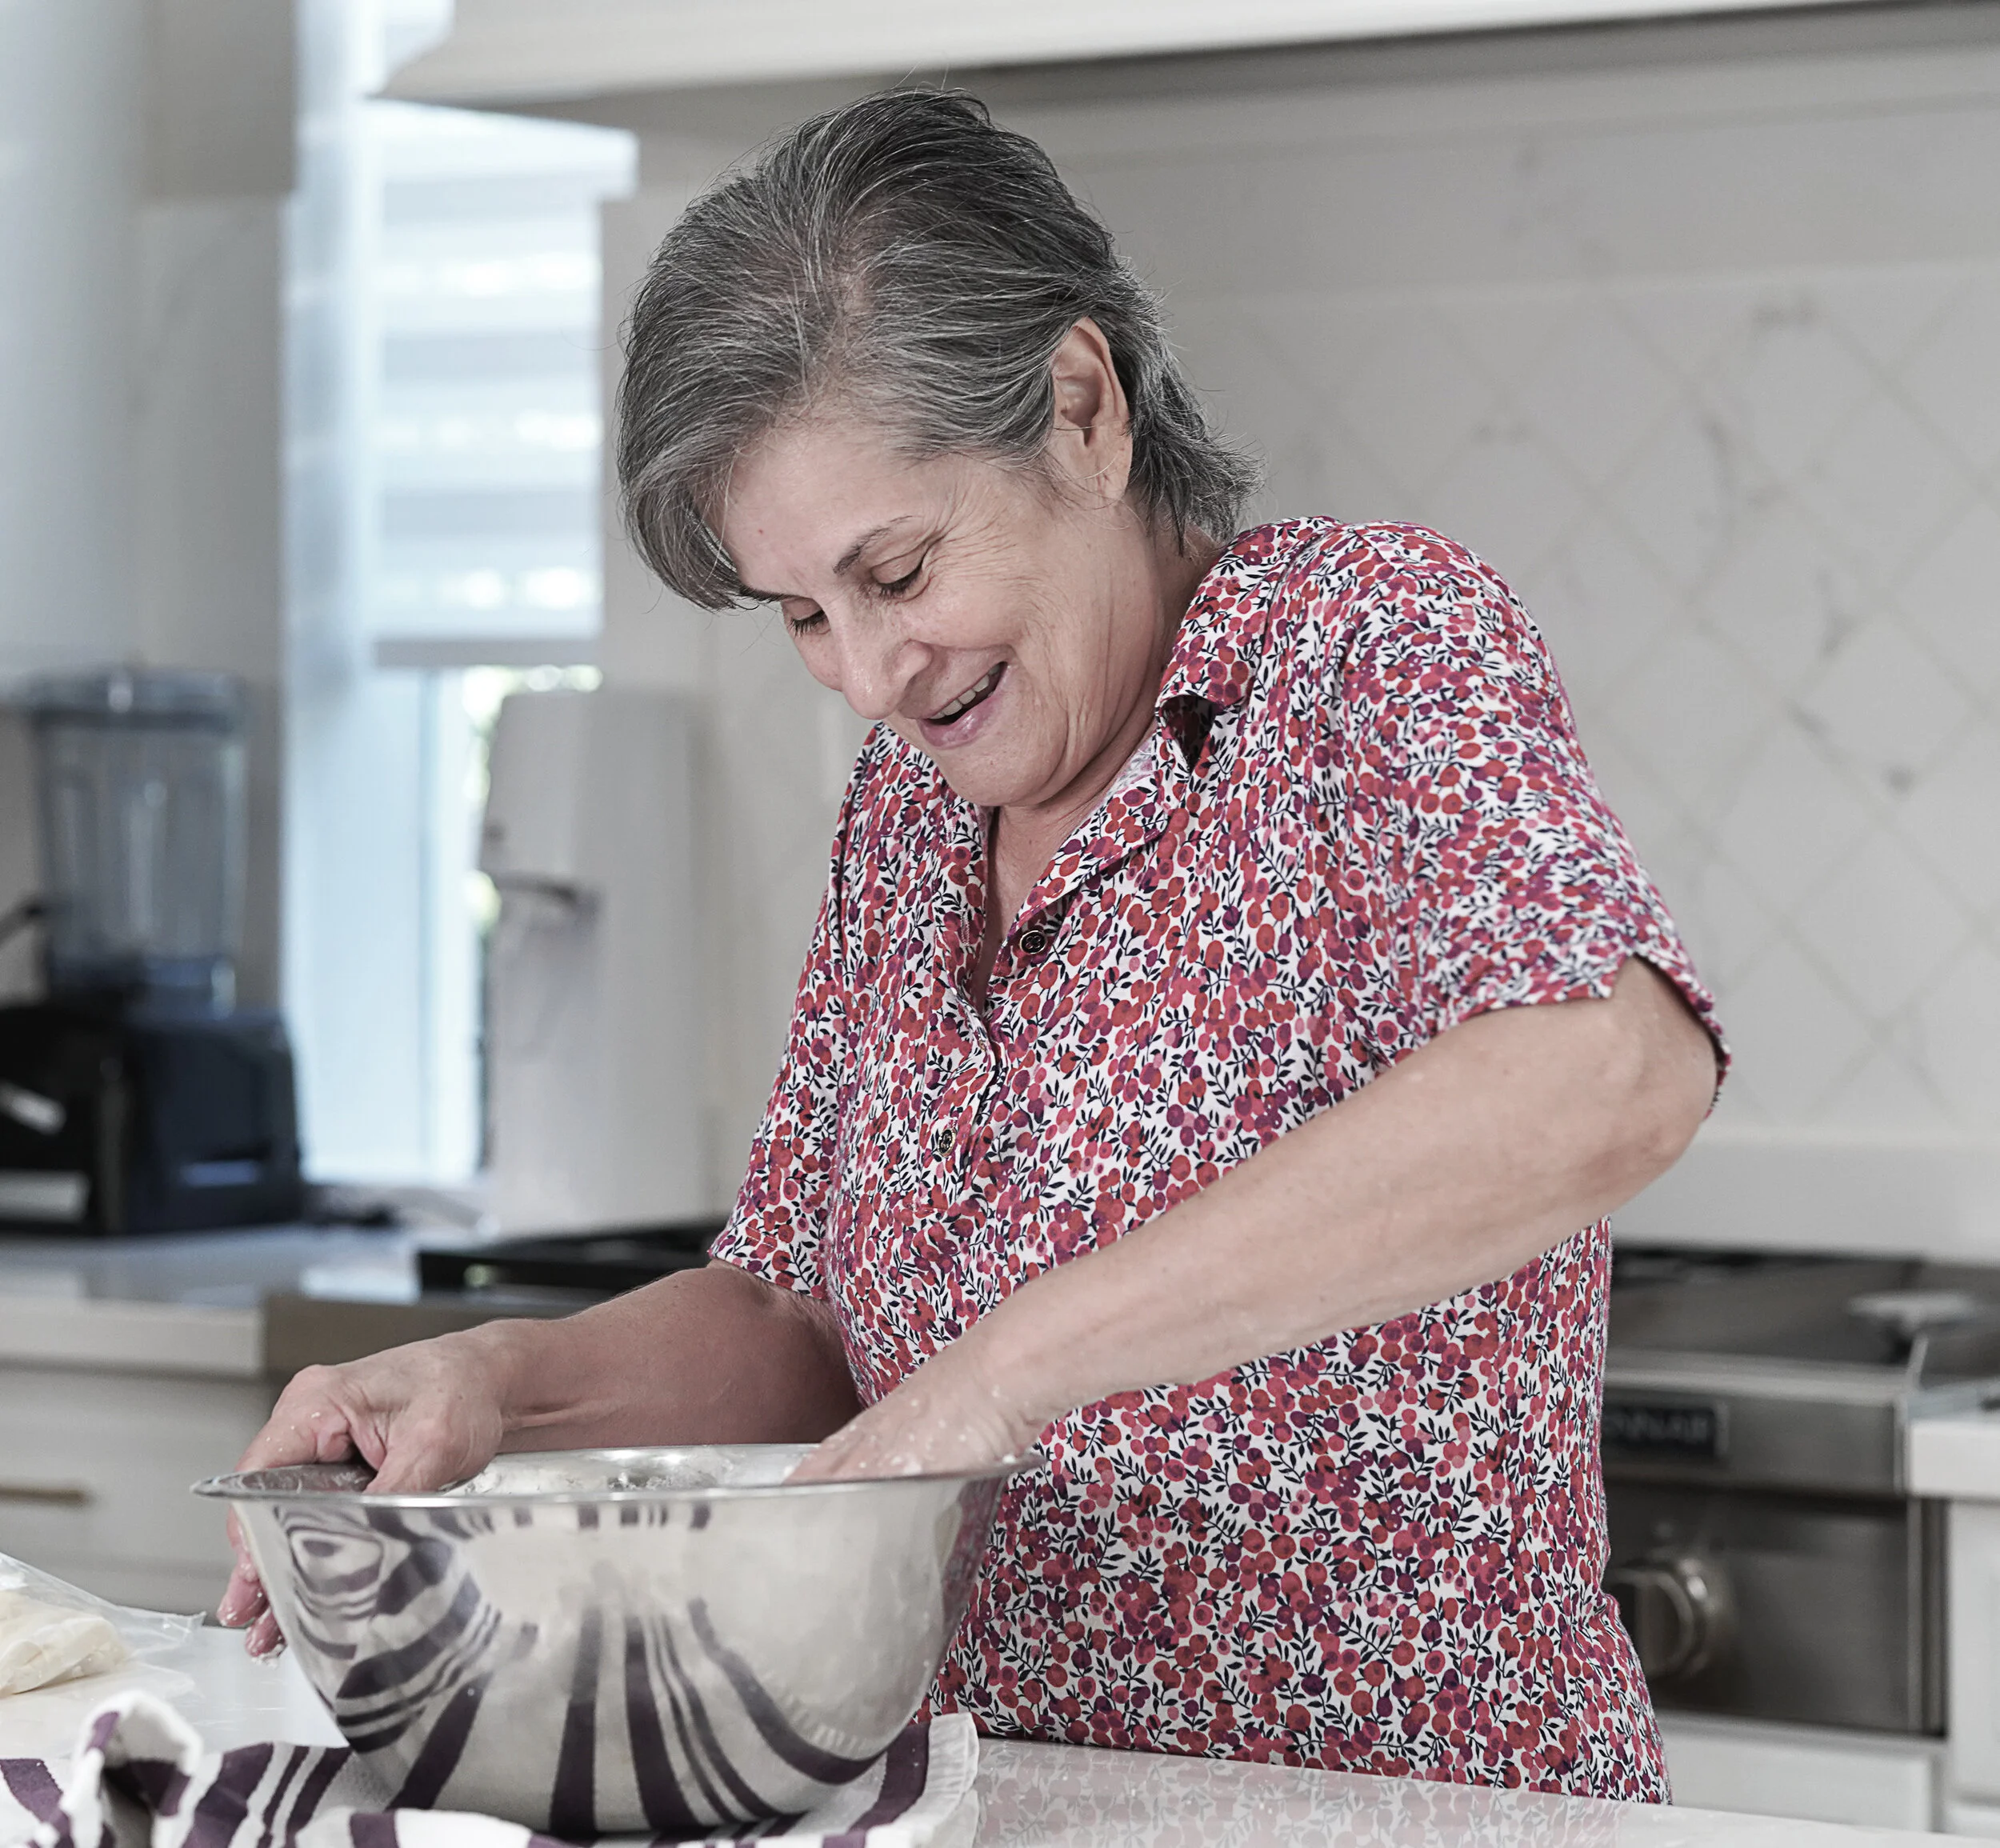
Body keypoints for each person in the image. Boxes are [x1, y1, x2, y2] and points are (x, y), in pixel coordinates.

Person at [221, 90, 1724, 1802]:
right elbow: (802, 1313)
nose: (867, 674)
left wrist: (1002, 1374)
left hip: (1397, 1815)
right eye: (800, 614)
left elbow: (1608, 1070)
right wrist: (498, 1384)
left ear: (1078, 409)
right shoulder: (910, 809)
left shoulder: (1355, 650)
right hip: (989, 1806)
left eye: (897, 568)